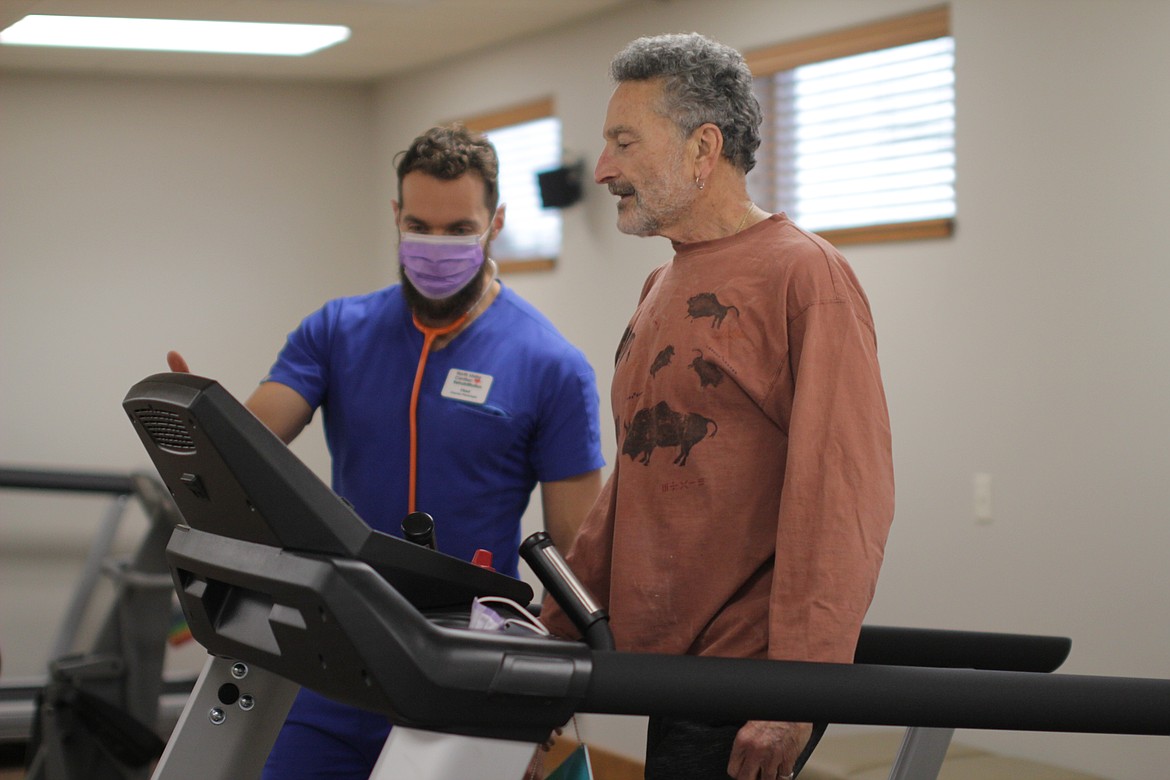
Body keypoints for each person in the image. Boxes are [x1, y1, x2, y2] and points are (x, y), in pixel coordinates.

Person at [169, 123, 604, 779]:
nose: (438, 245)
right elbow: (257, 442)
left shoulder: (551, 365)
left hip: (467, 657)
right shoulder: (338, 330)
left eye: (460, 229)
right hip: (343, 644)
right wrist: (204, 421)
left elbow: (576, 553)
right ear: (397, 217)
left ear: (496, 223)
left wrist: (548, 682)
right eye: (421, 225)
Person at [540, 33, 895, 780]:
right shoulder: (661, 287)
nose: (604, 169)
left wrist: (796, 693)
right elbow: (635, 482)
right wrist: (557, 621)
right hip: (676, 669)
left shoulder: (806, 279)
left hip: (748, 678)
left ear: (704, 147)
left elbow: (840, 500)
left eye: (624, 142)